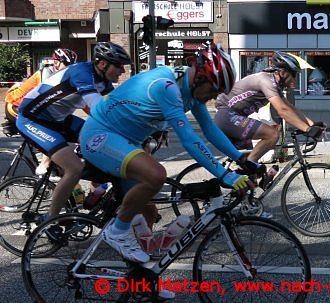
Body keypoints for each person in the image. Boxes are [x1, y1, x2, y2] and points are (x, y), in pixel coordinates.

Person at [80, 43, 253, 264]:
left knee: (148, 214)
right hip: (100, 136)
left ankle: (142, 282)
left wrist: (242, 159)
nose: (211, 97)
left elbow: (210, 130)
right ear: (200, 76)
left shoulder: (190, 91)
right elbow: (190, 140)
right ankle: (116, 231)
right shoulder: (166, 86)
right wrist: (224, 174)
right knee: (155, 175)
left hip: (128, 141)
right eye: (213, 90)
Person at [15, 42, 131, 223]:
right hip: (33, 120)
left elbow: (115, 107)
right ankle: (50, 219)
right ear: (103, 64)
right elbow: (97, 109)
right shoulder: (81, 73)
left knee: (103, 143)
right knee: (74, 168)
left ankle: (95, 191)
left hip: (59, 119)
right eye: (119, 65)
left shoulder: (104, 81)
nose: (122, 70)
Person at [214, 51, 326, 167]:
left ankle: (246, 175)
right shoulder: (266, 81)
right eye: (294, 74)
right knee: (272, 135)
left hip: (235, 117)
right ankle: (249, 168)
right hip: (227, 116)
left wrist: (312, 124)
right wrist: (307, 129)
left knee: (251, 160)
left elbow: (289, 107)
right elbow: (283, 111)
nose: (295, 79)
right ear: (282, 73)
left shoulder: (275, 85)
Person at [4, 48, 78, 175]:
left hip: (35, 109)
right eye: (67, 66)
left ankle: (54, 166)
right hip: (15, 106)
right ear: (56, 63)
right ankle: (43, 167)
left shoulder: (64, 76)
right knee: (51, 129)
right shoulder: (45, 75)